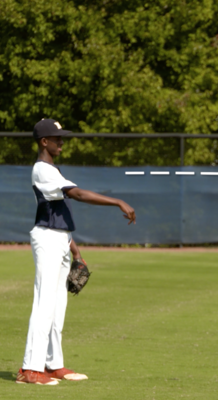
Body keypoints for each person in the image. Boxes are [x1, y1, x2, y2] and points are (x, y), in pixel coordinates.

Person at [17, 118, 136, 385]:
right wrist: (117, 201)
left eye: (62, 137)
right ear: (43, 142)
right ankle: (29, 369)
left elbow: (59, 215)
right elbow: (78, 195)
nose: (61, 141)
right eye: (56, 138)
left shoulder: (53, 170)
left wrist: (75, 252)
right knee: (44, 303)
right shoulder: (42, 170)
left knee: (58, 306)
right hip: (47, 239)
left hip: (58, 239)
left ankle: (53, 364)